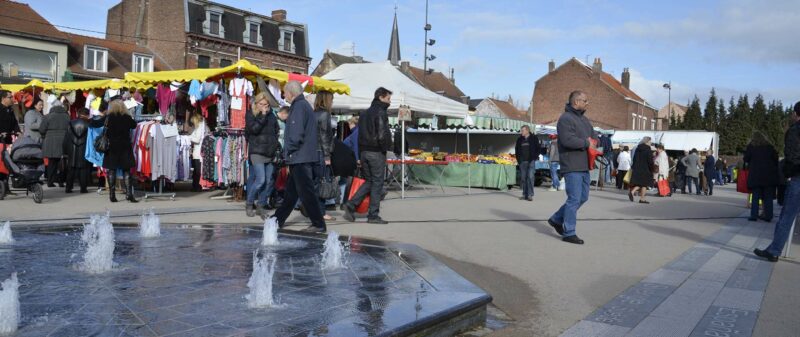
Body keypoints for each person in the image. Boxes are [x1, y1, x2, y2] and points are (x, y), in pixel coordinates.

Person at [266, 81, 326, 233]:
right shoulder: (304, 105)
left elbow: (296, 134)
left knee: (306, 193)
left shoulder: (298, 107)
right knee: (291, 193)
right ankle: (278, 219)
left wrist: (287, 152)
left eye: (284, 92)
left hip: (300, 156)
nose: (283, 95)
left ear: (291, 93)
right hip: (302, 156)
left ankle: (318, 224)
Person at [547, 91, 597, 245]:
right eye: (585, 100)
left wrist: (595, 142)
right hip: (572, 164)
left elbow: (594, 136)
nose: (587, 103)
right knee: (574, 198)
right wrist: (587, 143)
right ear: (576, 102)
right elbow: (568, 140)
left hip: (584, 164)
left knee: (583, 197)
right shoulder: (565, 119)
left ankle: (556, 219)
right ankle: (569, 232)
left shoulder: (584, 120)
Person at [754, 101, 800, 262]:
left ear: (796, 114)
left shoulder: (795, 131)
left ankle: (774, 250)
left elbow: (791, 155)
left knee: (787, 216)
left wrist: (788, 172)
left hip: (798, 178)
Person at [343, 87, 393, 225]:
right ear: (381, 97)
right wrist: (385, 148)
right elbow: (382, 134)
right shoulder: (381, 112)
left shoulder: (364, 114)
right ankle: (373, 215)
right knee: (377, 183)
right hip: (376, 152)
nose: (390, 101)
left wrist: (360, 154)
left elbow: (359, 136)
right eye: (388, 98)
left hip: (364, 152)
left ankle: (351, 204)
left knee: (370, 181)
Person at [91, 100, 138, 203]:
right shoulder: (126, 117)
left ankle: (112, 195)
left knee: (112, 170)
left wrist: (87, 118)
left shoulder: (108, 117)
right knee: (127, 170)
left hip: (111, 147)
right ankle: (129, 194)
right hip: (125, 147)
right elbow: (134, 125)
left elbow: (95, 123)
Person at [245, 92, 280, 218]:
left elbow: (276, 130)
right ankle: (249, 204)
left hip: (270, 152)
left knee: (269, 181)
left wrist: (275, 144)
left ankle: (261, 206)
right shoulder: (250, 114)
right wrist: (262, 116)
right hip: (257, 151)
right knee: (260, 180)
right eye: (262, 104)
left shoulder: (272, 115)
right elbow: (253, 130)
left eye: (266, 104)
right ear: (256, 103)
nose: (264, 107)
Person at [743, 131, 779, 222]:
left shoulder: (751, 147)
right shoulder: (770, 147)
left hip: (756, 175)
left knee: (755, 196)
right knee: (768, 197)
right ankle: (768, 216)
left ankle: (754, 216)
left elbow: (746, 159)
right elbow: (776, 160)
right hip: (769, 176)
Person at [313, 91, 336, 221]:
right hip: (321, 152)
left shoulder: (312, 113)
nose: (332, 102)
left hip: (312, 151)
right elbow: (324, 136)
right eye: (331, 100)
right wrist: (327, 156)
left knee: (315, 183)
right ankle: (321, 212)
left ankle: (314, 209)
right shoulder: (324, 114)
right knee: (322, 182)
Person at [39, 103, 70, 187]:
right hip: (64, 140)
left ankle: (50, 181)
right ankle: (61, 181)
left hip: (50, 141)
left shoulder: (48, 116)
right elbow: (70, 129)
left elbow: (41, 130)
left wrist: (45, 136)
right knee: (62, 162)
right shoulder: (67, 117)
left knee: (52, 162)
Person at [62, 107, 92, 193]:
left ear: (79, 114)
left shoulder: (71, 123)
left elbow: (66, 138)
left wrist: (64, 151)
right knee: (83, 169)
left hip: (72, 149)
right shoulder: (89, 124)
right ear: (86, 115)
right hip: (84, 148)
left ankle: (68, 187)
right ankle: (83, 188)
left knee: (71, 168)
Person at [515, 125, 539, 200]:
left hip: (531, 161)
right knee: (523, 178)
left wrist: (534, 158)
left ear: (527, 130)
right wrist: (518, 159)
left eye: (522, 130)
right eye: (521, 130)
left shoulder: (534, 138)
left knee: (530, 177)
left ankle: (530, 195)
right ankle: (524, 194)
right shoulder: (519, 139)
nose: (521, 132)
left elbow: (538, 148)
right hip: (522, 162)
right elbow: (517, 150)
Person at [628, 137, 654, 203]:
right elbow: (650, 161)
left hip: (637, 168)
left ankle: (632, 191)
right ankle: (642, 199)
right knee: (644, 184)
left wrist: (634, 167)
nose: (651, 143)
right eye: (650, 142)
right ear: (647, 142)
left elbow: (634, 159)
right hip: (645, 169)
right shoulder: (648, 150)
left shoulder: (637, 148)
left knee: (641, 183)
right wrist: (652, 168)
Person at [189, 112, 207, 192]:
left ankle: (197, 186)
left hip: (198, 152)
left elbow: (197, 139)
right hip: (196, 151)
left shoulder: (200, 127)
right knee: (196, 170)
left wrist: (189, 138)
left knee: (197, 171)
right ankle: (196, 186)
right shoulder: (199, 127)